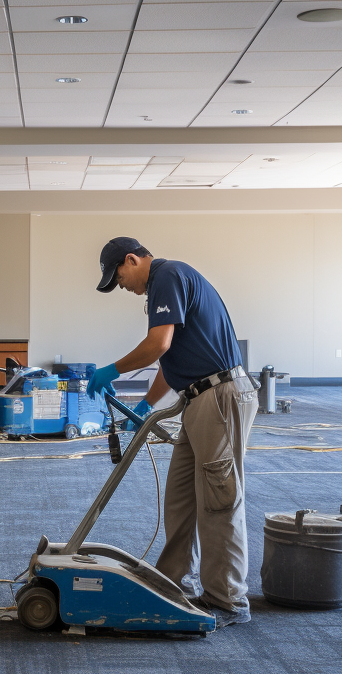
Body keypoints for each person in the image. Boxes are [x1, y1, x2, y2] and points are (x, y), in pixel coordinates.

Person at [85, 236, 258, 625]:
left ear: (131, 260)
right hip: (198, 400)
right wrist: (146, 405)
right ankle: (176, 585)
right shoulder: (166, 285)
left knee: (219, 500)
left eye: (120, 278)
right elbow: (171, 357)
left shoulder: (168, 275)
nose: (124, 288)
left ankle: (228, 600)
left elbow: (158, 344)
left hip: (220, 396)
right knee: (181, 497)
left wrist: (112, 370)